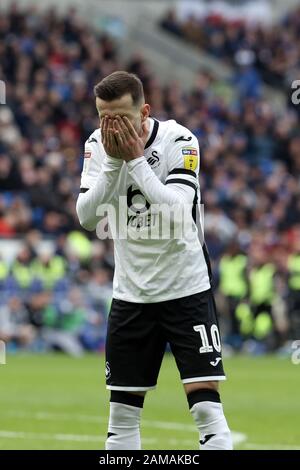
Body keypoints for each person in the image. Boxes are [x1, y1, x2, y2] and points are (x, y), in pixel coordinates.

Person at [76, 71, 232, 450]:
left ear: (144, 112)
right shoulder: (97, 146)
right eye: (104, 117)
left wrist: (134, 161)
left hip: (185, 288)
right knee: (121, 419)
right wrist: (115, 164)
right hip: (131, 295)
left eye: (121, 119)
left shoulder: (180, 140)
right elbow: (86, 216)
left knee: (208, 416)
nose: (111, 127)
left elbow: (179, 212)